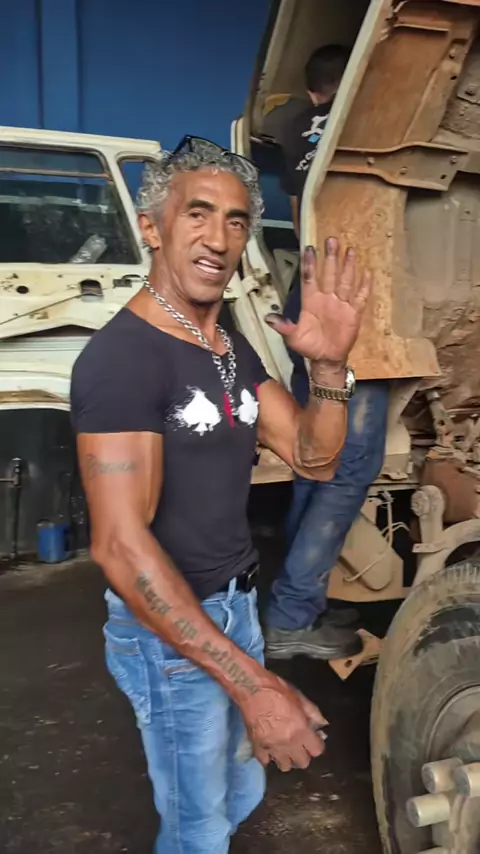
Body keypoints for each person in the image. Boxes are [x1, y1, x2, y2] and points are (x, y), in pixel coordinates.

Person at [70, 135, 371, 854]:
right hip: (171, 632)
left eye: (236, 220)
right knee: (198, 826)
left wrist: (330, 368)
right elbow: (120, 546)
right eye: (197, 214)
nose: (219, 238)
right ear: (152, 227)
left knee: (239, 792)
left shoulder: (225, 343)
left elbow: (315, 458)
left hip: (235, 605)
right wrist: (256, 686)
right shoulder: (122, 360)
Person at [264, 46, 391, 660]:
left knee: (316, 456)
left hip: (308, 298)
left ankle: (302, 598)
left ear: (315, 90)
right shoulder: (372, 122)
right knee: (350, 463)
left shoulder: (295, 125)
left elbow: (300, 219)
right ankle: (292, 611)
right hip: (350, 306)